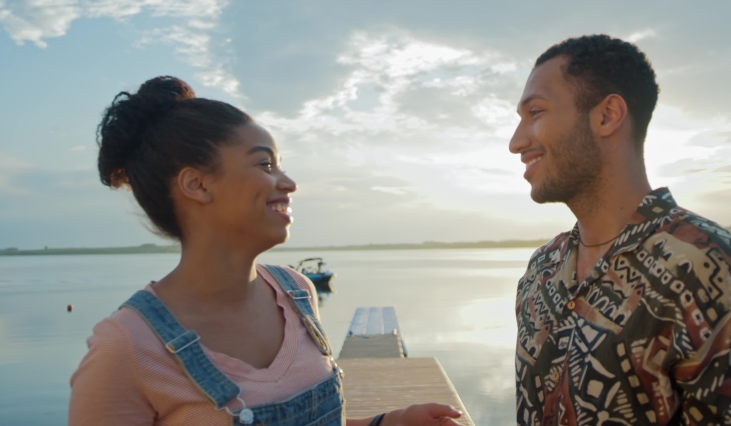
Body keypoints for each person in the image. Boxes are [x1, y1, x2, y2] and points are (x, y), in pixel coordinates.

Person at [69, 76, 463, 426]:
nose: (288, 182)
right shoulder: (126, 348)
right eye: (266, 164)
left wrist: (389, 422)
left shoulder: (296, 293)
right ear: (197, 185)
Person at [509, 36, 731, 425]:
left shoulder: (715, 271)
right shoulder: (542, 270)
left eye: (536, 112)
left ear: (607, 115)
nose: (516, 142)